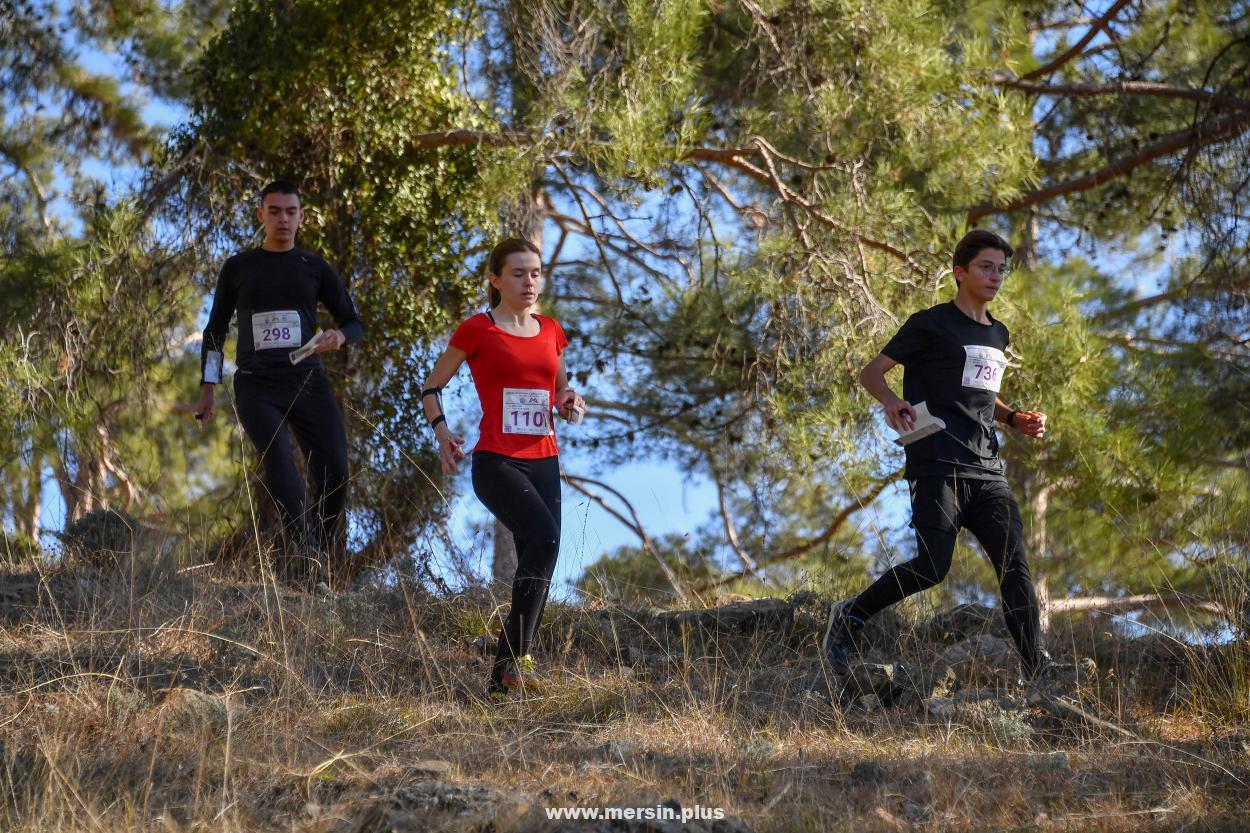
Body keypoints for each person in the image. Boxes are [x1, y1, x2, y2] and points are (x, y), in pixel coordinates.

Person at [824, 229, 1053, 682]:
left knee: (1015, 566)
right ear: (960, 272)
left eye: (1001, 269)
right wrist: (891, 402)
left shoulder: (999, 332)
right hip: (937, 463)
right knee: (932, 567)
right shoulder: (929, 323)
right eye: (986, 267)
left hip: (987, 469)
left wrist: (1013, 419)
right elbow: (871, 373)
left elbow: (983, 396)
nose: (995, 277)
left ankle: (1036, 667)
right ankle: (850, 614)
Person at [421, 238, 585, 699]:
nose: (529, 281)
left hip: (545, 460)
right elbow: (431, 387)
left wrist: (570, 401)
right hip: (496, 461)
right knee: (545, 538)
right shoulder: (477, 330)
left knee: (541, 557)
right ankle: (515, 660)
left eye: (535, 272)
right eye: (518, 273)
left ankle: (502, 677)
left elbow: (559, 392)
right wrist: (442, 433)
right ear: (495, 280)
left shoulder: (551, 330)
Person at [193, 180, 363, 587]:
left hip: (306, 379)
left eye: (291, 211)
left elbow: (353, 322)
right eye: (274, 212)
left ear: (301, 216)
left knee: (336, 469)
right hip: (255, 384)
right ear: (261, 216)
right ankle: (303, 551)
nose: (283, 219)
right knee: (279, 459)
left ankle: (317, 551)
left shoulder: (314, 267)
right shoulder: (239, 267)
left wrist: (337, 337)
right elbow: (214, 330)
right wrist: (208, 388)